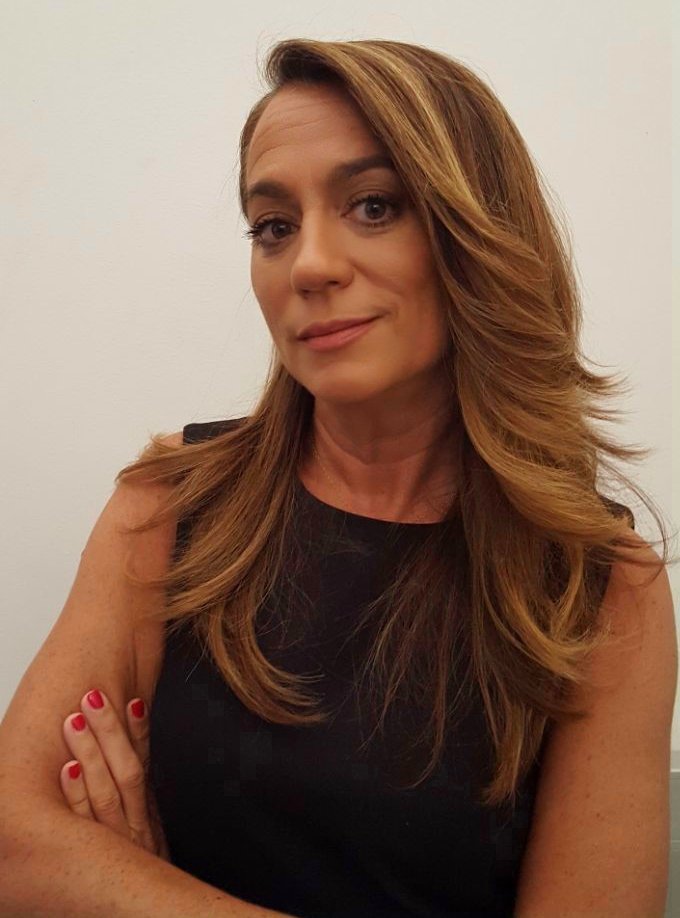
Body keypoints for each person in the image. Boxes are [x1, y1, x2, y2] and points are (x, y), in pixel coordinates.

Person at [0, 37, 676, 918]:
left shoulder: (601, 588)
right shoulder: (169, 503)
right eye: (273, 226)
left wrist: (124, 886)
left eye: (373, 206)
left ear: (478, 235)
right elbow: (14, 845)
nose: (309, 265)